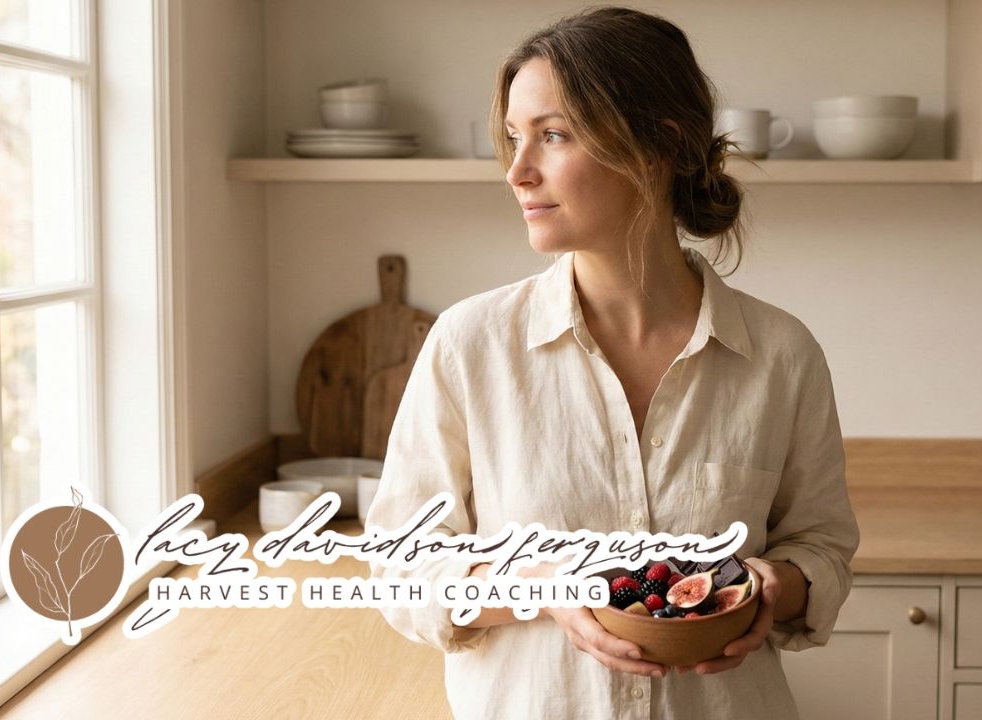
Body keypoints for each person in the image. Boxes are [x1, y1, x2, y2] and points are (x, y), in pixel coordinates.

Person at [366, 6, 859, 719]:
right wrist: (545, 585)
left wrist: (775, 588)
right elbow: (401, 568)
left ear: (658, 147)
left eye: (553, 135)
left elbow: (822, 547)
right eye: (514, 138)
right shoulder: (470, 344)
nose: (517, 171)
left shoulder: (781, 354)